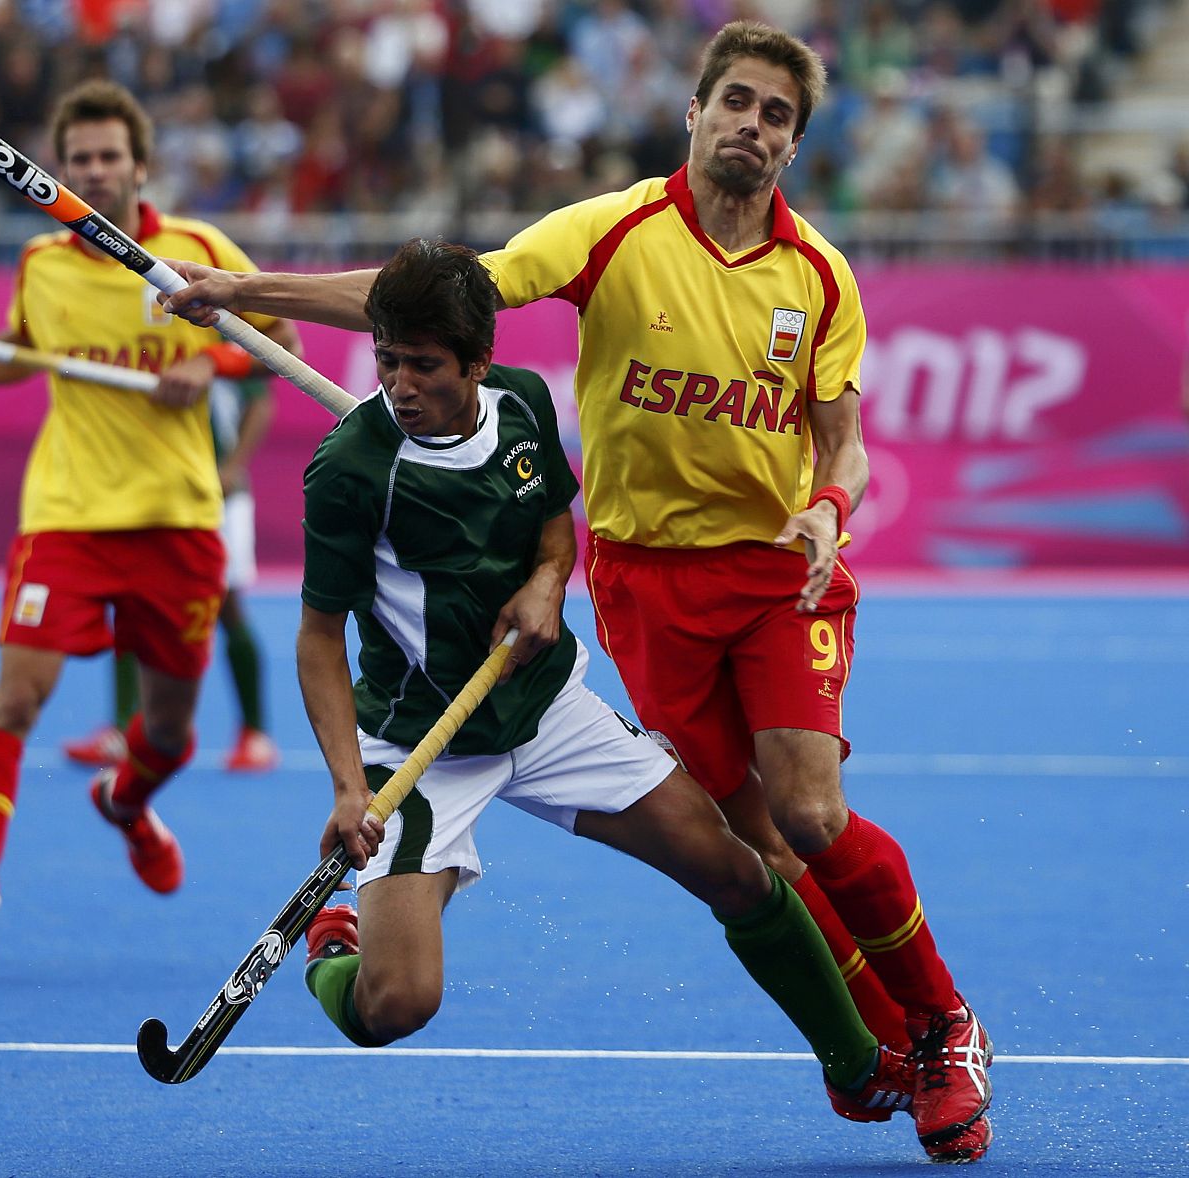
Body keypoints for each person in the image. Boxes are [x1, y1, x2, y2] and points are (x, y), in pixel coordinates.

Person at [160, 22, 993, 1164]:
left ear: (796, 143)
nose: (752, 125)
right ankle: (880, 1040)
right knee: (752, 843)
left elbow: (841, 438)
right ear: (693, 112)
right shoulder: (610, 232)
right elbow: (438, 295)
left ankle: (933, 1033)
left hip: (769, 574)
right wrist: (245, 290)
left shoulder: (817, 276)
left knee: (799, 816)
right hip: (640, 595)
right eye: (735, 101)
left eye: (776, 114)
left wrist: (829, 507)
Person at [294, 237, 913, 1131]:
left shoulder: (523, 403)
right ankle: (332, 947)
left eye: (424, 365)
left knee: (737, 870)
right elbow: (319, 638)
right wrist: (350, 788)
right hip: (424, 742)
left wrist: (548, 583)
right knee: (397, 1004)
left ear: (478, 362)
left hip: (547, 711)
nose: (400, 385)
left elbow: (556, 530)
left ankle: (857, 1066)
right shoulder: (349, 469)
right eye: (387, 361)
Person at [0, 79, 301, 977]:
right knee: (15, 701)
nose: (94, 170)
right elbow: (13, 357)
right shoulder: (40, 264)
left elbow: (282, 344)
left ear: (140, 165)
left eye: (108, 156)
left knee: (168, 734)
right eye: (78, 159)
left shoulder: (197, 251)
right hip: (68, 517)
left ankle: (125, 803)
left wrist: (213, 366)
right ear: (59, 171)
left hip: (178, 519)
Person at [62, 372, 280, 774]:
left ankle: (255, 734)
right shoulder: (148, 344)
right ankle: (123, 729)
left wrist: (232, 467)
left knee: (227, 608)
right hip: (158, 495)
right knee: (132, 604)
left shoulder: (224, 341)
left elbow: (260, 402)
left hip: (218, 497)